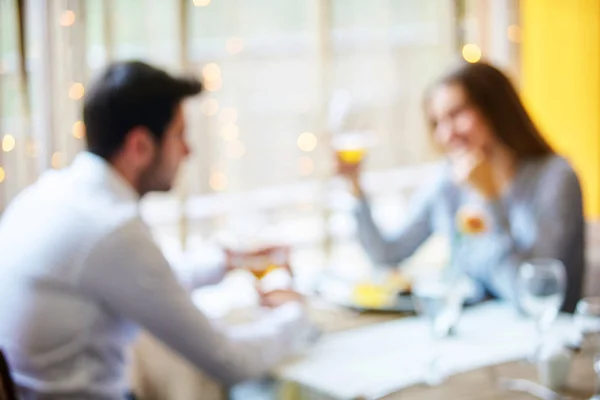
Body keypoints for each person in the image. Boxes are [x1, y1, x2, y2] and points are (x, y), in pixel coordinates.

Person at [0, 61, 312, 399]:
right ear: (140, 146)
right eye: (179, 135)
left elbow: (145, 283)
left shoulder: (51, 192)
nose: (188, 150)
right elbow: (230, 360)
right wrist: (294, 314)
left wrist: (231, 261)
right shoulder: (112, 229)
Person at [338, 61, 584, 313]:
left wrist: (489, 199)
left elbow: (534, 298)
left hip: (544, 339)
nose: (446, 134)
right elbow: (387, 254)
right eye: (437, 123)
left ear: (495, 109)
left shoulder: (555, 178)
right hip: (472, 336)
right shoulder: (448, 181)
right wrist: (355, 188)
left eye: (456, 115)